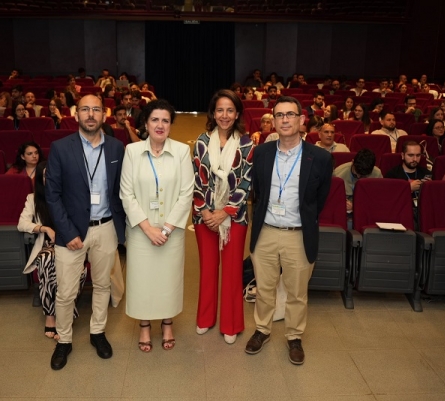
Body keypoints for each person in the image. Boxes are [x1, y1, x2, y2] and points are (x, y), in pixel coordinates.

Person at [245, 95, 332, 365]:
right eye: (279, 115)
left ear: (302, 120)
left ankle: (294, 336)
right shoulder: (261, 152)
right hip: (267, 231)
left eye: (290, 115)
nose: (285, 120)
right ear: (273, 121)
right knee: (264, 288)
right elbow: (257, 192)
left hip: (298, 233)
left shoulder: (319, 157)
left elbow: (320, 198)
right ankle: (262, 330)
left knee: (297, 292)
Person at [46, 94, 126, 370]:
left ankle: (97, 332)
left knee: (103, 285)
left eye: (96, 109)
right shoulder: (60, 148)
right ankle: (64, 340)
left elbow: (121, 191)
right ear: (76, 114)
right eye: (85, 109)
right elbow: (52, 195)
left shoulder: (117, 148)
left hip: (105, 228)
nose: (90, 114)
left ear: (104, 114)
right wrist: (67, 232)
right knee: (67, 292)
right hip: (71, 232)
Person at [120, 99, 194, 352]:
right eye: (155, 120)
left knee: (168, 279)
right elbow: (126, 194)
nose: (160, 125)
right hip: (141, 231)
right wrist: (148, 229)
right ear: (145, 123)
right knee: (142, 280)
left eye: (165, 120)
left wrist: (166, 228)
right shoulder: (132, 151)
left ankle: (167, 322)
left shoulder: (182, 151)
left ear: (171, 125)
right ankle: (143, 324)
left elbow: (186, 193)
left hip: (171, 232)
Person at [193, 89, 254, 345]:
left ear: (237, 113)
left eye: (230, 110)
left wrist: (223, 213)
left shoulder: (247, 143)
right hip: (204, 216)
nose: (225, 115)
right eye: (220, 110)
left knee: (231, 271)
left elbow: (245, 184)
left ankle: (231, 324)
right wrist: (207, 212)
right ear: (213, 113)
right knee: (207, 268)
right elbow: (197, 180)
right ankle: (205, 318)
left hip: (234, 218)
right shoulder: (200, 141)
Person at [18, 161, 87, 340]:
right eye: (46, 176)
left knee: (64, 262)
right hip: (47, 246)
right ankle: (52, 315)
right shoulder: (32, 199)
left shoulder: (70, 196)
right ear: (41, 179)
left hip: (72, 245)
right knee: (49, 258)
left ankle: (62, 315)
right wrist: (44, 229)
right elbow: (22, 224)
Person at [333, 149, 383, 213]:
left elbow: (379, 199)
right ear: (352, 162)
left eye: (363, 176)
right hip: (344, 211)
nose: (358, 177)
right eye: (356, 174)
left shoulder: (377, 174)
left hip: (367, 210)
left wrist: (356, 206)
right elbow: (333, 199)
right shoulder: (338, 174)